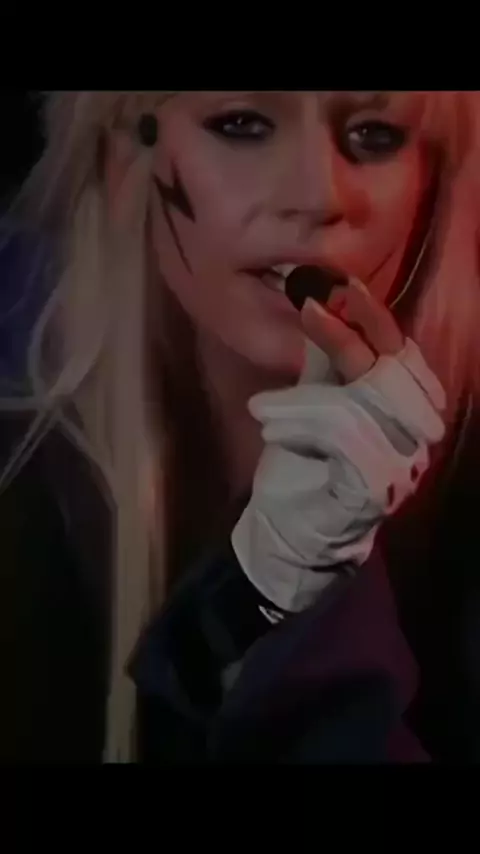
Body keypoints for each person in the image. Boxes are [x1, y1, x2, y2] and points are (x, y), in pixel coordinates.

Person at [0, 91, 479, 764]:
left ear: (434, 183)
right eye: (241, 124)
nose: (318, 196)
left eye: (375, 135)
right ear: (124, 162)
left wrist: (316, 607)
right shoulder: (26, 508)